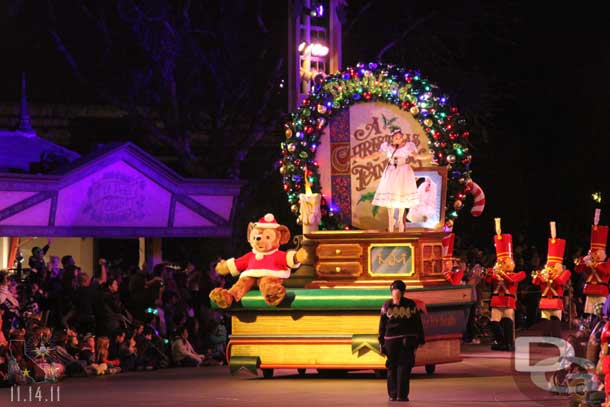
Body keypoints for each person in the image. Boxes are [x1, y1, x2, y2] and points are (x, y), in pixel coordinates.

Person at [372, 129, 430, 232]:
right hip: (391, 172)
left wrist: (428, 156)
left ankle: (400, 220)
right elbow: (375, 155)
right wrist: (359, 159)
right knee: (390, 197)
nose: (397, 139)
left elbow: (416, 156)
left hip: (402, 171)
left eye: (399, 137)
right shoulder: (388, 147)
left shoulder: (407, 146)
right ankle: (390, 221)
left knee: (402, 196)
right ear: (392, 138)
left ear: (402, 138)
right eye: (395, 138)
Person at [378, 280, 425, 402]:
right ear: (404, 291)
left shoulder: (386, 305)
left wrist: (381, 342)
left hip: (390, 341)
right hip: (406, 340)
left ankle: (392, 395)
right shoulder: (411, 305)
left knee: (391, 367)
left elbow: (382, 326)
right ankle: (401, 395)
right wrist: (420, 339)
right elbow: (417, 323)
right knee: (404, 367)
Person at [484, 219, 526, 351]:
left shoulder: (517, 274)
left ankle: (509, 344)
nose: (501, 264)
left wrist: (501, 273)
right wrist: (489, 274)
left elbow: (511, 281)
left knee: (508, 322)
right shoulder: (497, 274)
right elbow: (487, 282)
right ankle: (502, 342)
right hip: (496, 300)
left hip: (508, 300)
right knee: (494, 323)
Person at [532, 232, 571, 338]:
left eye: (553, 266)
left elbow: (561, 282)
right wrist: (538, 276)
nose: (550, 268)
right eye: (549, 266)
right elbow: (535, 282)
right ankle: (546, 339)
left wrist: (551, 276)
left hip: (556, 300)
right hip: (545, 300)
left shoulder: (565, 272)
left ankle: (557, 339)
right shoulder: (544, 274)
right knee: (545, 323)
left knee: (556, 323)